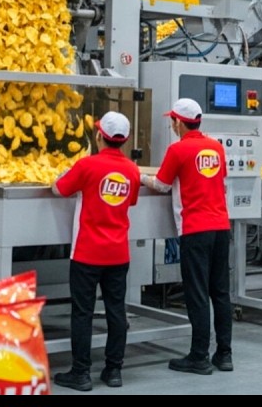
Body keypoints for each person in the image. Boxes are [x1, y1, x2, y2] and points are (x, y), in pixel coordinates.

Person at [141, 97, 233, 375]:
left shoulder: (178, 150)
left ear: (179, 122)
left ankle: (198, 355)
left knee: (196, 293)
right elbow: (221, 183)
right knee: (220, 292)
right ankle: (225, 354)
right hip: (221, 227)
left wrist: (138, 175)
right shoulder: (216, 147)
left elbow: (161, 184)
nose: (172, 125)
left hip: (195, 229)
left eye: (172, 120)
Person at [51, 112, 142, 392]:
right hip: (118, 253)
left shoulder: (87, 165)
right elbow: (132, 201)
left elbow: (58, 189)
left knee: (83, 313)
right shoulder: (132, 170)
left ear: (100, 136)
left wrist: (63, 173)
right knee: (117, 311)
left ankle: (81, 372)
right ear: (124, 140)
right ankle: (114, 370)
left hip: (88, 253)